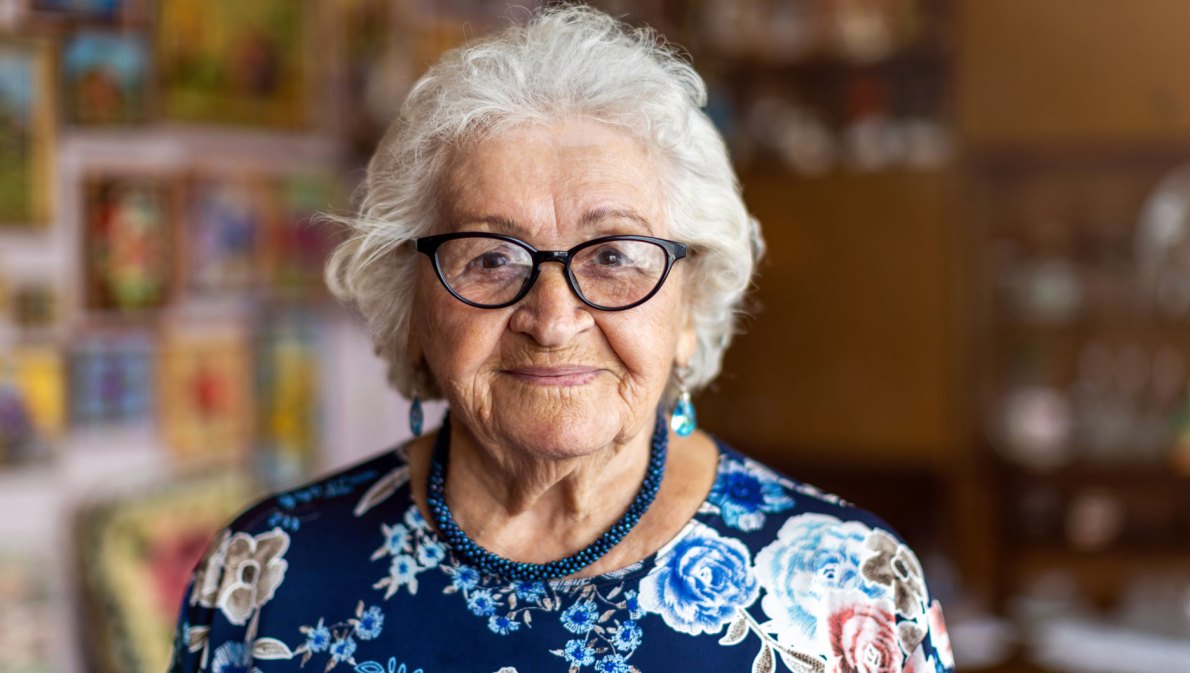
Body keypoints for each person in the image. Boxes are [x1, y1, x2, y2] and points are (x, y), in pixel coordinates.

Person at [168, 7, 955, 673]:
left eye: (613, 255)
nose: (553, 317)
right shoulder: (267, 570)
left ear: (688, 311)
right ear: (414, 308)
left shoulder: (850, 590)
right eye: (490, 258)